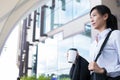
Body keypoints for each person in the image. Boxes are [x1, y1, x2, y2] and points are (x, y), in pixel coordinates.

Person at [88, 5, 120, 80]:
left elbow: (100, 70)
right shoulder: (94, 44)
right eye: (90, 17)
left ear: (105, 16)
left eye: (94, 15)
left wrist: (103, 71)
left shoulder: (115, 34)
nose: (91, 20)